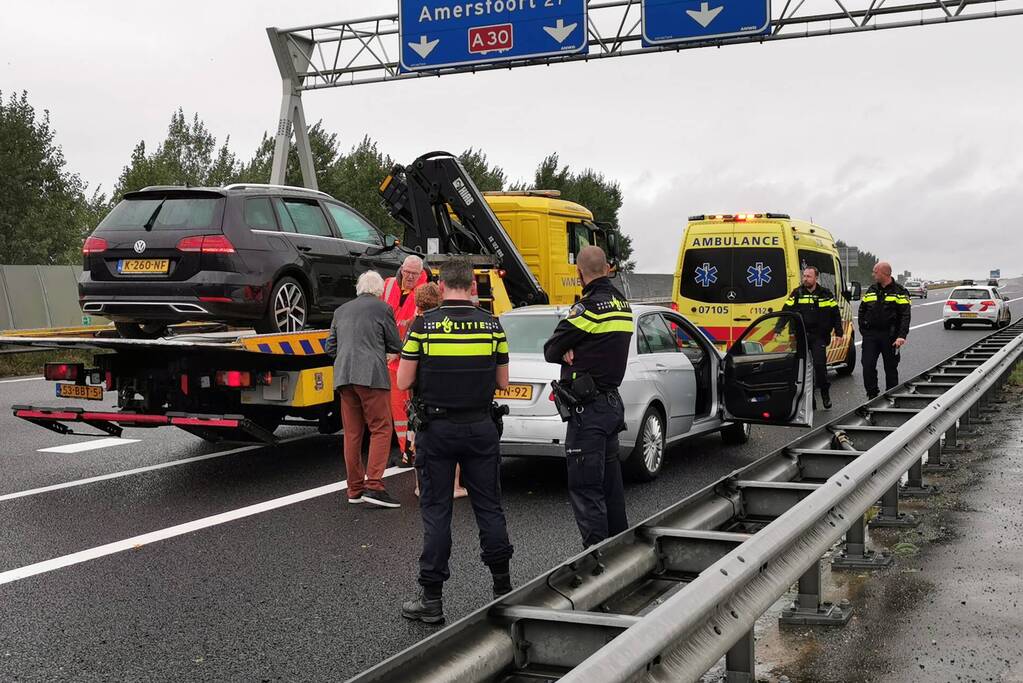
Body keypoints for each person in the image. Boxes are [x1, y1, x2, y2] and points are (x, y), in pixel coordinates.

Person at [397, 256, 514, 624]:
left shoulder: (424, 326)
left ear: (442, 286)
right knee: (489, 508)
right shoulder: (492, 326)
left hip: (437, 430)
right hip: (480, 427)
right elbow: (503, 383)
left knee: (437, 513)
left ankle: (431, 600)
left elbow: (402, 381)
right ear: (473, 288)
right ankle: (503, 589)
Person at [543, 246, 634, 549]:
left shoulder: (587, 309)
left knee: (586, 489)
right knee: (611, 488)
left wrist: (572, 350)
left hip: (588, 413)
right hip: (610, 405)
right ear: (608, 269)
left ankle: (596, 564)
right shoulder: (623, 305)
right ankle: (621, 554)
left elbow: (551, 350)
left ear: (580, 273)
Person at [325, 270, 403, 509]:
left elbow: (330, 347)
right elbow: (395, 343)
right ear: (379, 290)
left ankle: (354, 488)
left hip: (344, 377)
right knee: (381, 428)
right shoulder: (383, 309)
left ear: (359, 288)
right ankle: (375, 486)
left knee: (352, 434)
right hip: (371, 376)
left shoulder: (341, 311)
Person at [405, 282, 469, 500]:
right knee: (453, 444)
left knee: (417, 440)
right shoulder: (446, 324)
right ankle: (454, 485)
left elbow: (407, 370)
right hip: (447, 393)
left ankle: (420, 486)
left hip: (418, 395)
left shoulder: (415, 326)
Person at [383, 255, 428, 459]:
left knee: (407, 410)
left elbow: (416, 329)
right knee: (397, 410)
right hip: (391, 359)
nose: (409, 276)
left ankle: (409, 452)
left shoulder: (423, 294)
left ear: (420, 274)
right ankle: (406, 451)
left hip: (407, 360)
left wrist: (397, 352)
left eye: (414, 273)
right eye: (407, 272)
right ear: (401, 269)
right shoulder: (389, 285)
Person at [780, 266, 844, 409]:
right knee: (803, 369)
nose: (805, 279)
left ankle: (825, 393)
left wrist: (839, 332)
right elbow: (786, 311)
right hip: (801, 336)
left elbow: (835, 314)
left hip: (819, 336)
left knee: (820, 366)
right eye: (804, 276)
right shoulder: (797, 293)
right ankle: (810, 399)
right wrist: (778, 328)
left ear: (816, 278)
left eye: (808, 276)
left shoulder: (826, 294)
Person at [859, 261, 912, 399]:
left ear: (884, 273)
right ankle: (872, 396)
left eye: (875, 272)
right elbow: (862, 310)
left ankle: (891, 397)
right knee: (867, 366)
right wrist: (864, 330)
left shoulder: (900, 292)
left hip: (891, 336)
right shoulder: (871, 290)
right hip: (871, 336)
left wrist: (901, 336)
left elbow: (905, 315)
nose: (873, 274)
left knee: (890, 368)